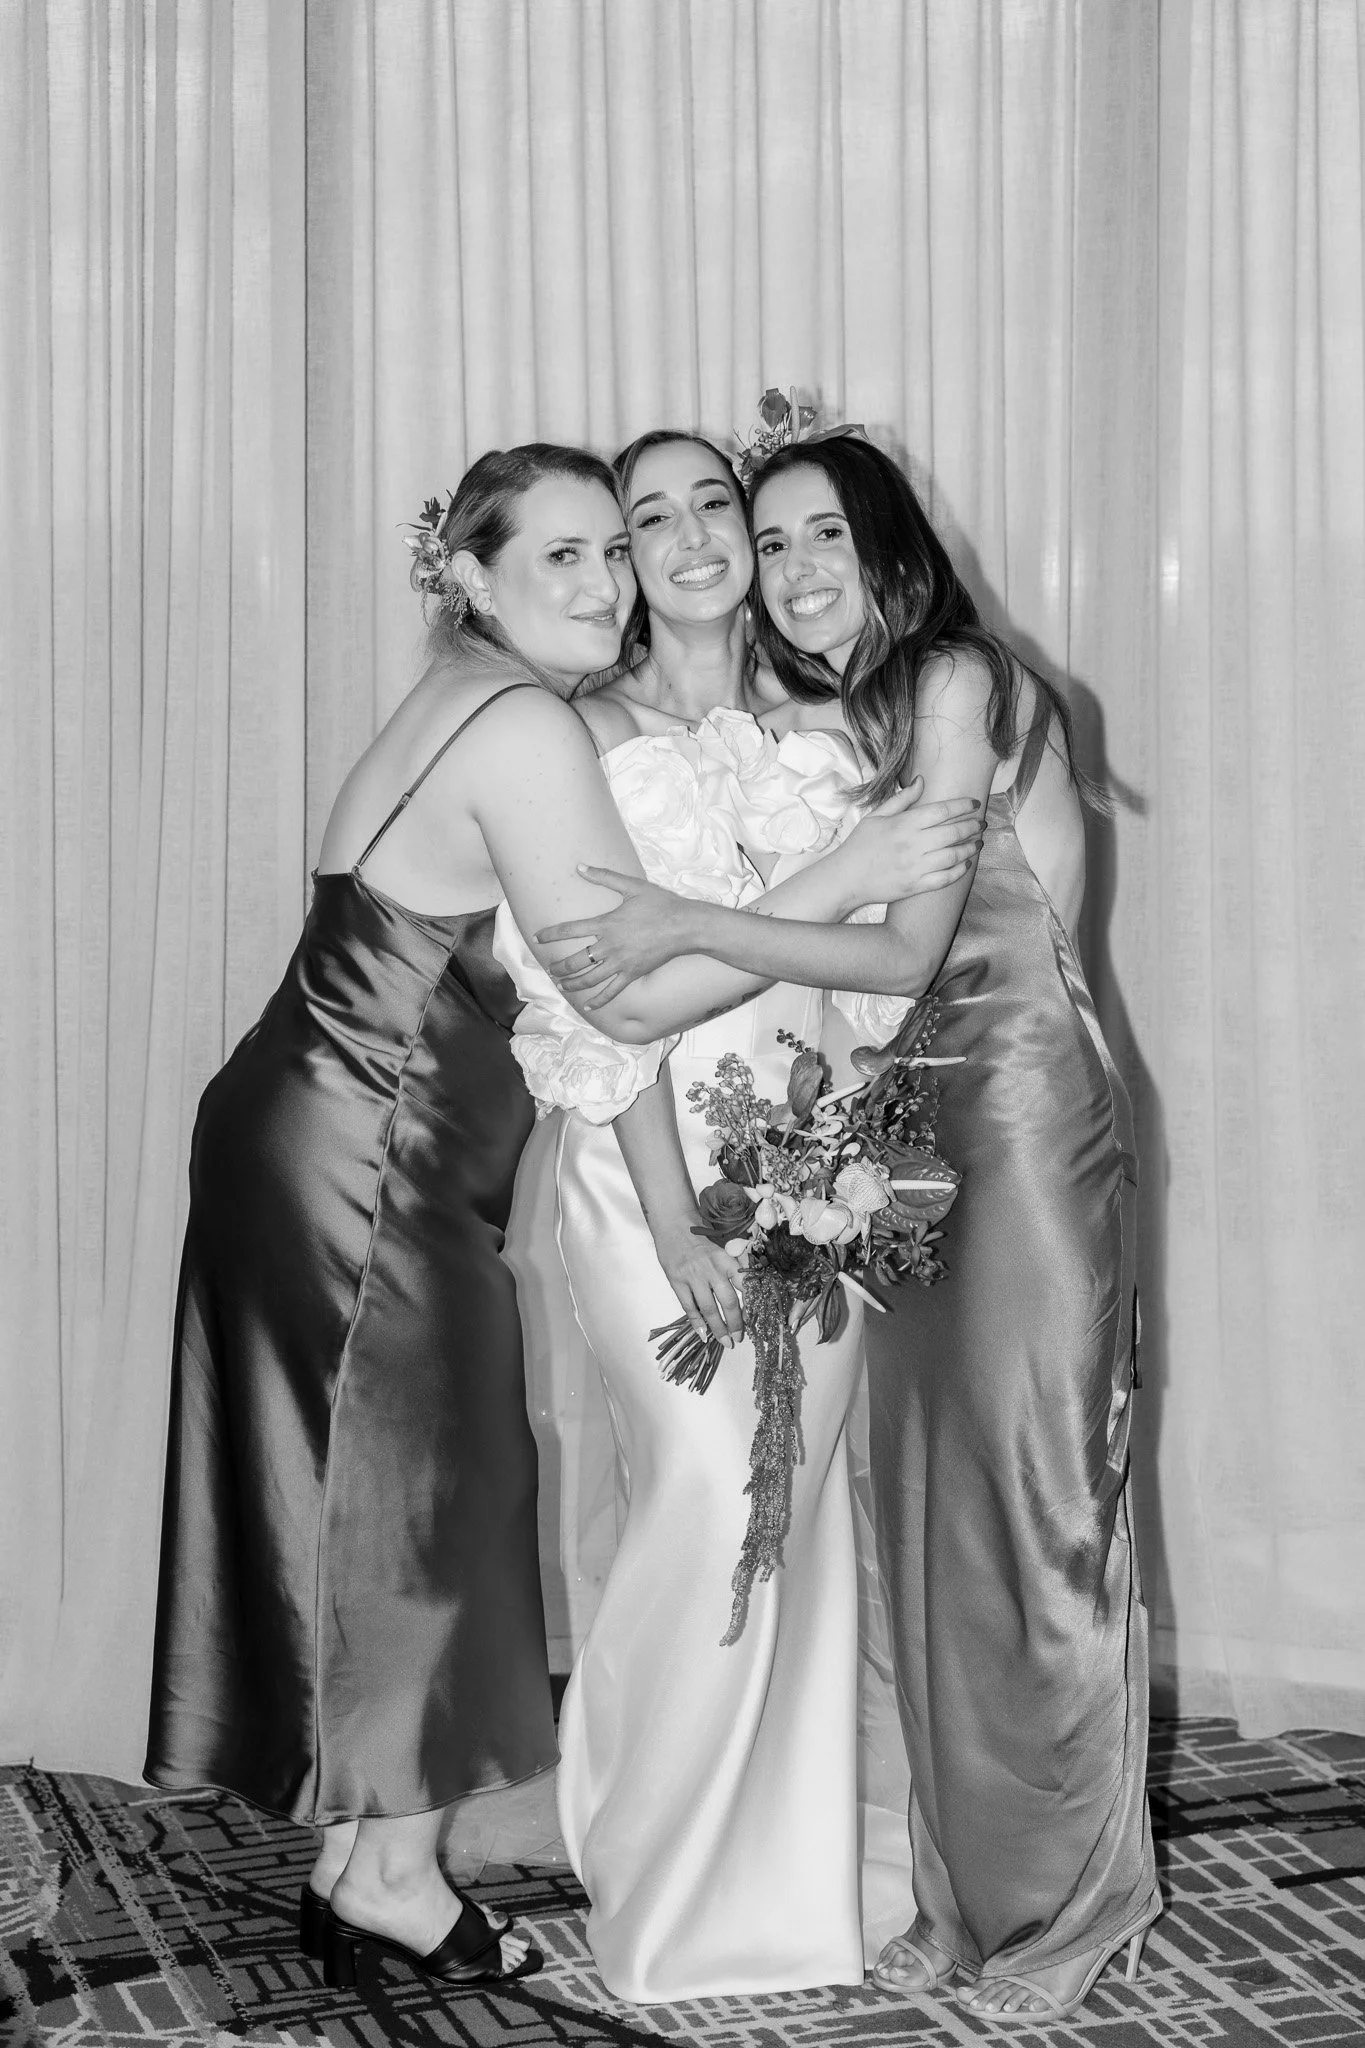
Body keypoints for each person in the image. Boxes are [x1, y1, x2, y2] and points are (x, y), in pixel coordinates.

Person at [144, 435, 967, 1998]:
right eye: (570, 554)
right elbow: (619, 989)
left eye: (619, 548)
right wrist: (846, 869)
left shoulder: (468, 697)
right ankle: (389, 1872)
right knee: (426, 1501)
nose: (607, 581)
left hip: (323, 1128)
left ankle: (358, 1860)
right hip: (366, 1153)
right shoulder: (524, 721)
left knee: (395, 1490)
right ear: (471, 579)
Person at [539, 431, 1160, 2023]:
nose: (800, 567)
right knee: (933, 1526)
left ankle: (1069, 1918)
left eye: (827, 536)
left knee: (1039, 1524)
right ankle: (971, 1900)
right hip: (907, 1156)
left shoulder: (953, 682)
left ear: (894, 548)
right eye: (779, 538)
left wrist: (679, 917)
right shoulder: (855, 721)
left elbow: (899, 961)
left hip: (1016, 1137)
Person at [490, 428, 982, 2002]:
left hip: (816, 1169)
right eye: (655, 516)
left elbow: (894, 972)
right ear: (622, 557)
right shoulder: (574, 737)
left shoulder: (834, 726)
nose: (698, 537)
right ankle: (655, 1860)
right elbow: (595, 1007)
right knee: (706, 1501)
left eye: (723, 506)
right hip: (650, 1177)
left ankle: (788, 1883)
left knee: (803, 1518)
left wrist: (863, 1164)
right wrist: (677, 1222)